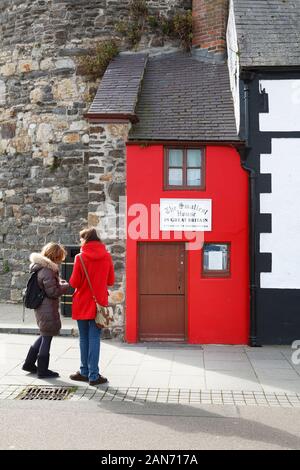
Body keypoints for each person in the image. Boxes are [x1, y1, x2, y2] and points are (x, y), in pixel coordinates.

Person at [69, 227, 115, 386]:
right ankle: (93, 376)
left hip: (82, 303)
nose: (80, 242)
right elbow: (110, 281)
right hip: (99, 303)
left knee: (84, 338)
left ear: (86, 240)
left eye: (81, 239)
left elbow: (74, 283)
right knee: (94, 338)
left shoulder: (80, 257)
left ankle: (84, 371)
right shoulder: (107, 256)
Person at [22, 242, 69, 378]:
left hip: (42, 307)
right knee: (47, 337)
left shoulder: (41, 268)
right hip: (46, 308)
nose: (60, 260)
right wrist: (65, 286)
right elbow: (53, 292)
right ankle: (43, 370)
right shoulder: (47, 270)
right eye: (60, 257)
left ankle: (29, 364)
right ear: (55, 256)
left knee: (44, 334)